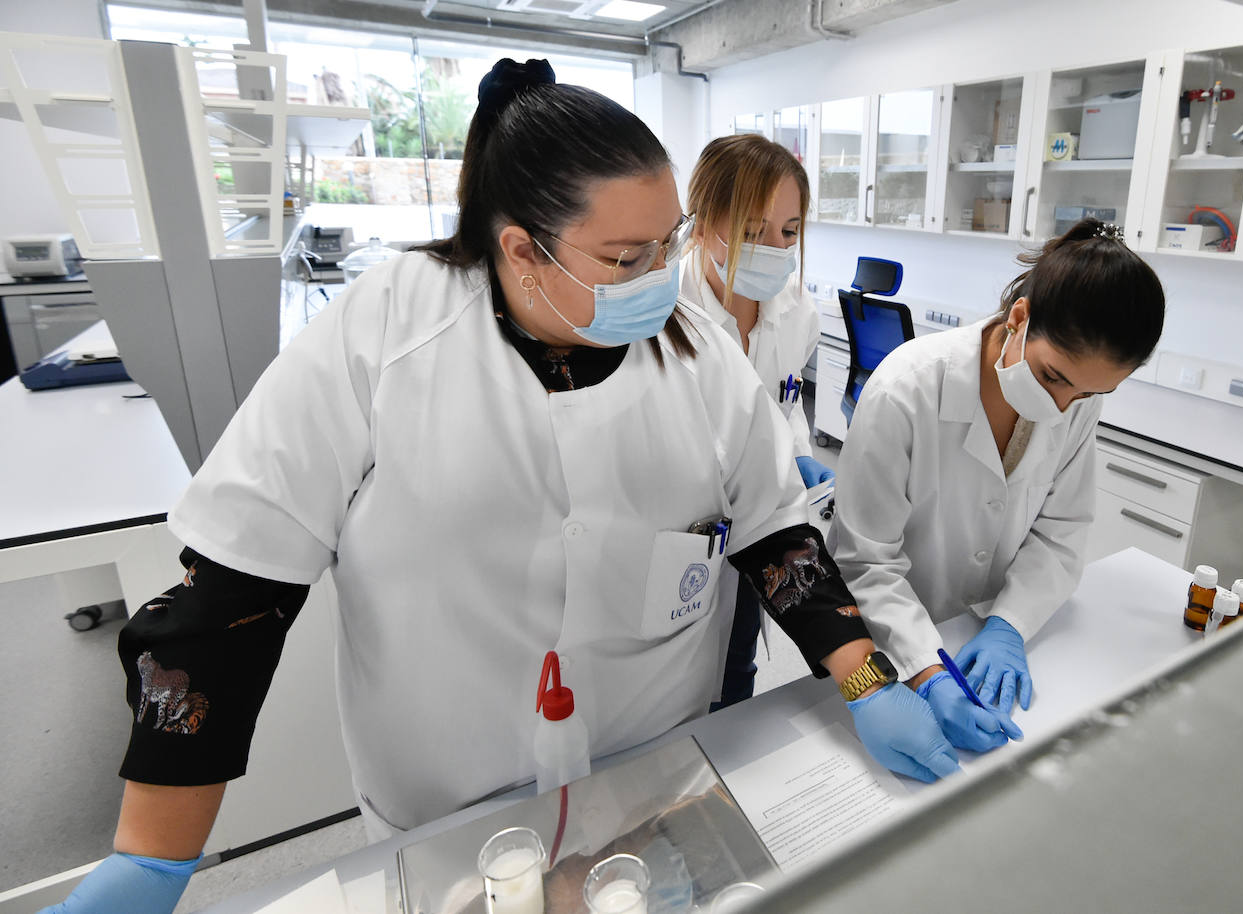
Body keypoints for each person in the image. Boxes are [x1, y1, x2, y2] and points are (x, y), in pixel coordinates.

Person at [42, 60, 959, 914]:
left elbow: (778, 538)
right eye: (622, 258)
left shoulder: (696, 350)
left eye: (664, 244)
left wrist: (868, 679)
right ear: (522, 251)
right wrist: (153, 852)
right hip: (447, 804)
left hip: (651, 782)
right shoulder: (385, 331)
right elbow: (232, 596)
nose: (658, 279)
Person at [828, 218, 1166, 754]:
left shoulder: (1078, 398)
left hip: (994, 633)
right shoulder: (906, 390)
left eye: (1088, 394)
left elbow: (1061, 532)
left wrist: (1009, 624)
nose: (1062, 407)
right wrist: (926, 671)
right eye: (1053, 377)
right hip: (896, 650)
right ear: (1020, 318)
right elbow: (864, 561)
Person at [679, 134, 830, 709]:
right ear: (700, 225)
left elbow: (784, 400)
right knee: (674, 681)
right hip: (682, 530)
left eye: (788, 232)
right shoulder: (668, 313)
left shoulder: (798, 311)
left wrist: (794, 450)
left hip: (762, 523)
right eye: (749, 230)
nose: (773, 249)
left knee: (737, 659)